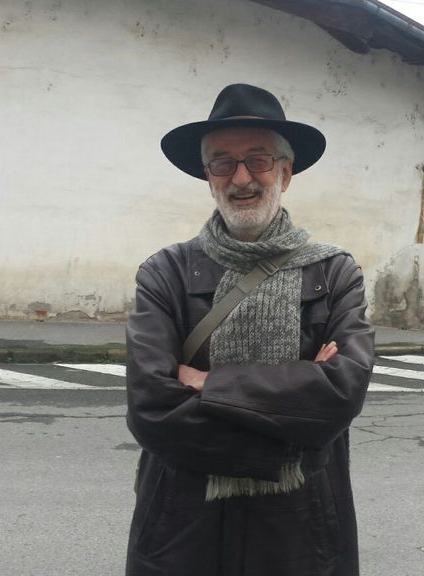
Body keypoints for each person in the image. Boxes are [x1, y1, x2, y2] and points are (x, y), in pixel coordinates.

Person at [125, 83, 374, 576]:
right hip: (182, 526)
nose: (241, 178)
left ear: (286, 172)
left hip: (302, 530)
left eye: (258, 160)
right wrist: (291, 432)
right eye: (223, 162)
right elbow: (151, 407)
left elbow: (342, 391)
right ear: (207, 175)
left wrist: (209, 383)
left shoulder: (334, 273)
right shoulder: (165, 273)